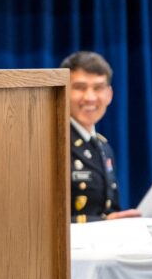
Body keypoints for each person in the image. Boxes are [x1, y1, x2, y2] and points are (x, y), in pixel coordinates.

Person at [60, 51, 140, 223]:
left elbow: (109, 209)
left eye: (98, 88)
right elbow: (44, 219)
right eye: (80, 87)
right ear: (63, 91)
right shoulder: (54, 144)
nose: (90, 98)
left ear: (109, 95)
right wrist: (103, 223)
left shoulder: (104, 147)